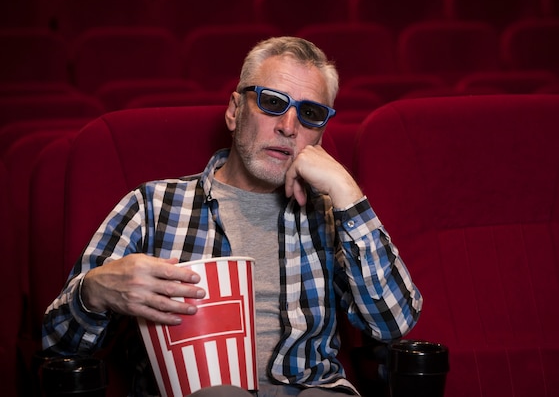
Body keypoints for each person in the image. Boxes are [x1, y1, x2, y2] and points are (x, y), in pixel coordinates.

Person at [42, 36, 422, 396]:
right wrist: (93, 292)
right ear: (234, 110)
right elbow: (58, 346)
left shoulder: (331, 214)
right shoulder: (152, 206)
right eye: (272, 102)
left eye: (309, 114)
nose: (288, 127)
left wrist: (347, 192)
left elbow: (393, 323)